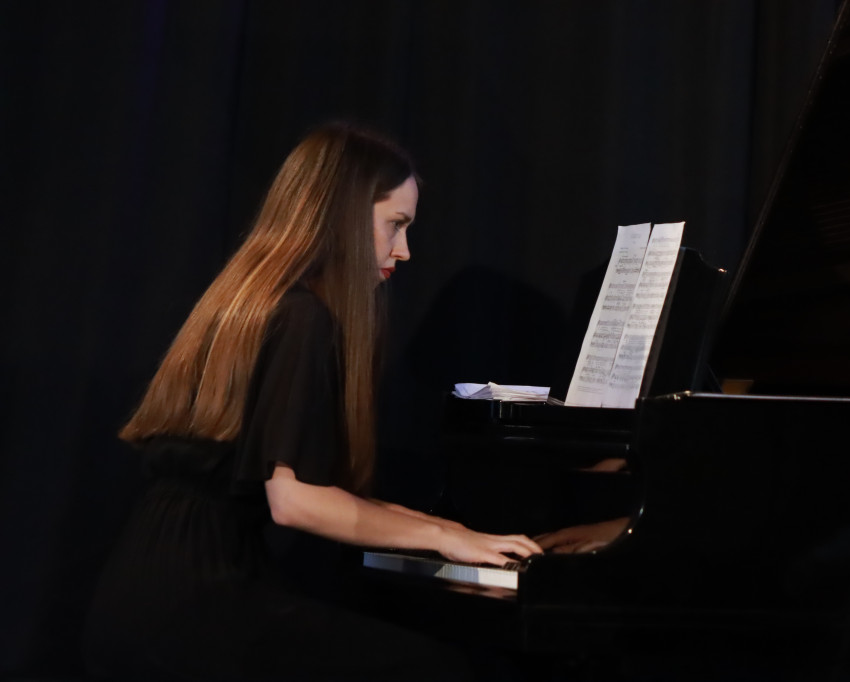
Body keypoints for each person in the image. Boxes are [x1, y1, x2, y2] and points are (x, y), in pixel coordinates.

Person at [83, 121, 542, 681]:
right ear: (342, 215)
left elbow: (308, 492)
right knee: (434, 668)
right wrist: (444, 537)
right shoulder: (303, 318)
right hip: (192, 604)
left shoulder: (255, 300)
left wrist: (450, 532)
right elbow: (295, 502)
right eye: (395, 225)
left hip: (147, 590)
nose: (404, 250)